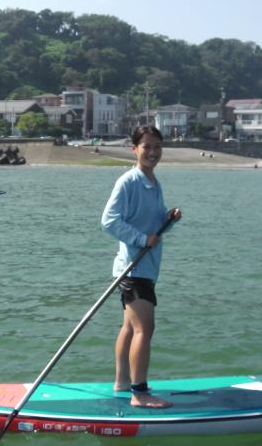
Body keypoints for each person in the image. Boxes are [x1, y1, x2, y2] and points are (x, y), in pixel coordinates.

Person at [101, 125, 182, 409]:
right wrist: (140, 239)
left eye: (157, 147)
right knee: (144, 329)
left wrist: (167, 220)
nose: (153, 152)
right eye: (146, 146)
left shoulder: (153, 182)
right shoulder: (129, 181)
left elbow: (151, 229)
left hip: (146, 268)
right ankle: (140, 393)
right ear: (134, 149)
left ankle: (123, 382)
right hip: (133, 270)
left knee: (129, 327)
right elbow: (109, 221)